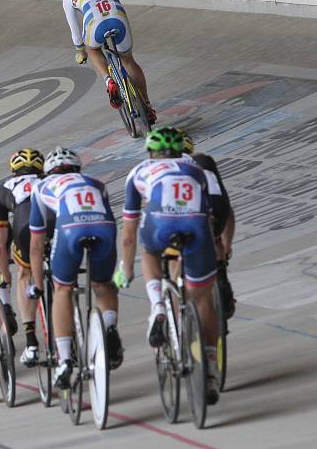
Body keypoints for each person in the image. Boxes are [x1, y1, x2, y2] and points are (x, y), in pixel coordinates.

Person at [116, 127, 222, 404]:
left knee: (149, 252)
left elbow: (128, 233)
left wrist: (126, 268)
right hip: (196, 227)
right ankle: (210, 366)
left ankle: (158, 307)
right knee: (203, 300)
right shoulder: (196, 168)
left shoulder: (139, 171)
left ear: (150, 152)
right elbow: (212, 215)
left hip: (160, 225)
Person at [28, 148, 123, 388]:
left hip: (71, 230)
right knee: (103, 284)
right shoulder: (96, 183)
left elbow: (36, 245)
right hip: (104, 228)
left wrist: (38, 285)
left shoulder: (40, 187)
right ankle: (110, 329)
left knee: (62, 289)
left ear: (47, 172)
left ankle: (65, 360)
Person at [61, 0, 156, 123]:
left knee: (92, 50)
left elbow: (75, 31)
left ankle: (109, 80)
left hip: (94, 25)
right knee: (127, 60)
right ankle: (146, 105)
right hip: (118, 19)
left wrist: (80, 51)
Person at [0, 148, 44, 367]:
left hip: (25, 231)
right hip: (54, 225)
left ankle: (31, 340)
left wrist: (4, 276)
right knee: (62, 280)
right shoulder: (49, 179)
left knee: (25, 273)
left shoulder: (5, 187)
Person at [180, 130, 237, 319]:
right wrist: (228, 246)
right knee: (215, 234)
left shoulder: (161, 169)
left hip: (187, 217)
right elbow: (226, 206)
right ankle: (221, 272)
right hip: (216, 209)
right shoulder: (205, 160)